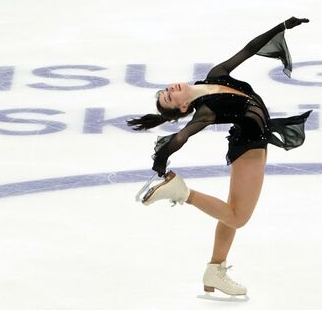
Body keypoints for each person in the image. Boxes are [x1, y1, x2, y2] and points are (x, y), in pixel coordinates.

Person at [127, 16, 311, 299]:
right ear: (183, 106)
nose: (169, 90)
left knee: (230, 213)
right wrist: (161, 160)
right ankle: (182, 192)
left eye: (165, 92)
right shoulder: (206, 109)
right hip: (249, 147)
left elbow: (248, 50)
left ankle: (215, 269)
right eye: (169, 98)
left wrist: (281, 27)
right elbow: (183, 135)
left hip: (253, 144)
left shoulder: (215, 76)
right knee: (238, 217)